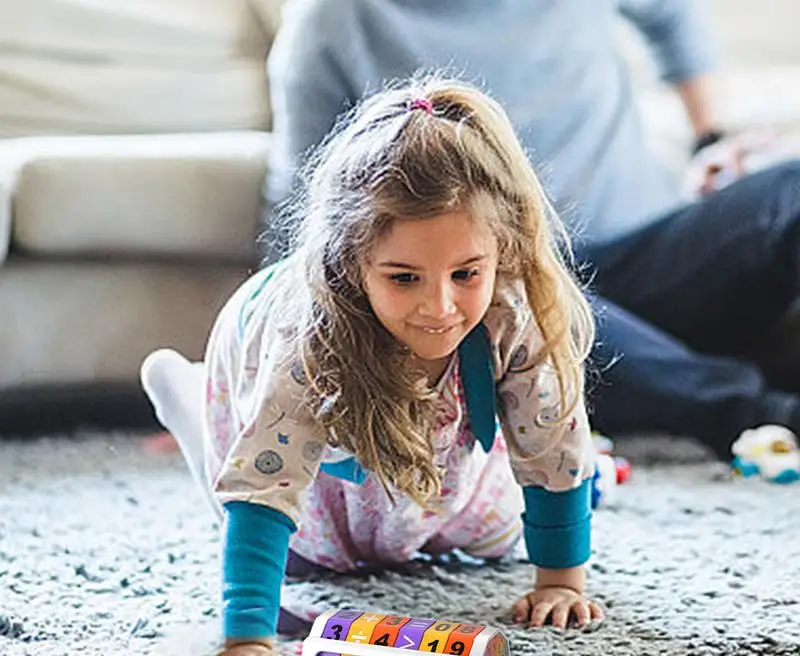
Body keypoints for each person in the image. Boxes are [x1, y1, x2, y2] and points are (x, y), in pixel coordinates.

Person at [141, 75, 604, 656]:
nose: (440, 307)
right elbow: (264, 484)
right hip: (305, 449)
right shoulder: (311, 340)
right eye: (404, 277)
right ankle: (190, 398)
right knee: (310, 561)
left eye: (466, 273)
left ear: (502, 252)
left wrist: (560, 582)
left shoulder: (509, 315)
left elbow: (553, 449)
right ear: (352, 263)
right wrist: (248, 634)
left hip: (429, 454)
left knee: (495, 535)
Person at [264, 0, 800, 461]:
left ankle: (671, 376)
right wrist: (267, 368)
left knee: (790, 189)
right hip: (501, 297)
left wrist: (711, 137)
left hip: (651, 253)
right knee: (491, 301)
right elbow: (304, 215)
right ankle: (767, 416)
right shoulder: (332, 19)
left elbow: (671, 14)